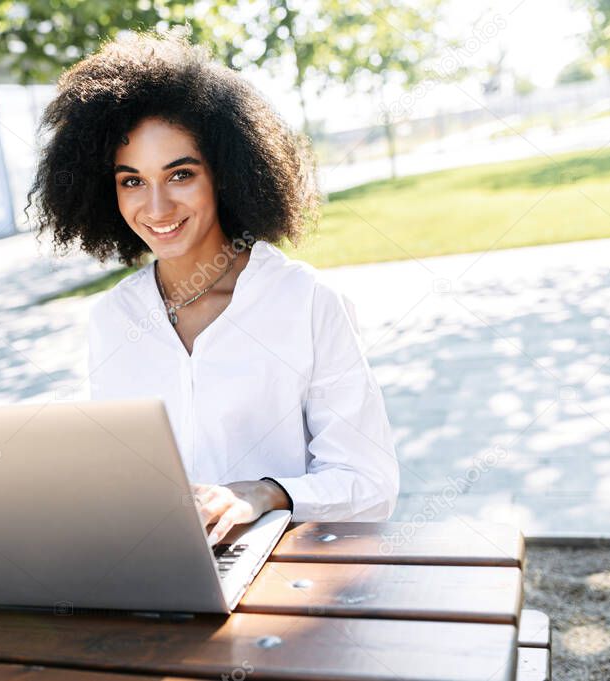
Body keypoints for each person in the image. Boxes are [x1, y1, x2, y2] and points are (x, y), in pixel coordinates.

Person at [27, 27, 398, 545]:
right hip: (158, 565)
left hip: (281, 571)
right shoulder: (113, 317)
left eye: (180, 174)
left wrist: (268, 494)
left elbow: (372, 482)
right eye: (132, 180)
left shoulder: (306, 303)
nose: (156, 208)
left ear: (224, 174)